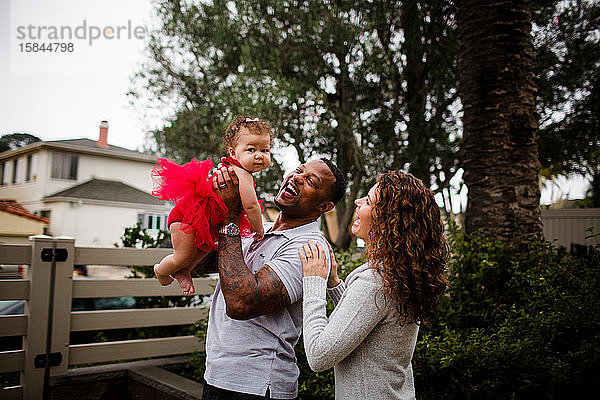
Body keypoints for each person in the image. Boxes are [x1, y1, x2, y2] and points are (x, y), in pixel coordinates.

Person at [196, 158, 346, 400]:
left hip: (258, 385)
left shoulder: (308, 248)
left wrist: (232, 215)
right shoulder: (258, 228)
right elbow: (196, 264)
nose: (297, 177)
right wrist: (209, 202)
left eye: (310, 181)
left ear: (324, 206)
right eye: (299, 170)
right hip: (218, 375)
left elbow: (241, 302)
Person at [299, 171, 448, 400]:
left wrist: (313, 282)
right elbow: (365, 322)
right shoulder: (397, 273)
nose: (358, 202)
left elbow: (319, 356)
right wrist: (334, 284)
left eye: (368, 201)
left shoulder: (375, 281)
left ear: (387, 220)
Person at [151, 116, 273, 294]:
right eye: (251, 149)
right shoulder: (241, 174)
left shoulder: (239, 172)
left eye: (265, 150)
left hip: (205, 224)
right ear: (233, 153)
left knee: (202, 251)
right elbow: (252, 207)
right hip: (187, 218)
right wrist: (259, 229)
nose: (259, 155)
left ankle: (184, 271)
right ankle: (161, 270)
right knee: (182, 256)